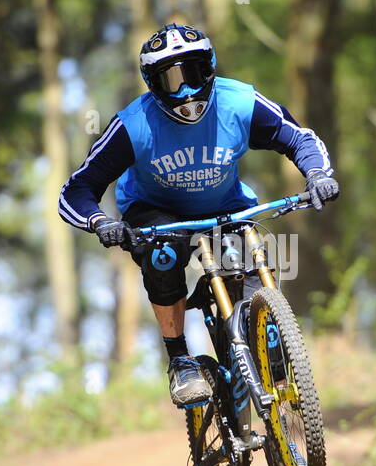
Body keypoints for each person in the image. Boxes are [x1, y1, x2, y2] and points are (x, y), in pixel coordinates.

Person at [58, 22, 339, 408]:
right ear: (151, 84)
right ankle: (181, 361)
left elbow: (298, 137)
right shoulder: (133, 125)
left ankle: (267, 337)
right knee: (164, 254)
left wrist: (317, 174)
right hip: (157, 212)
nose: (185, 89)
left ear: (210, 67)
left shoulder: (239, 102)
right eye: (170, 79)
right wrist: (101, 222)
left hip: (227, 205)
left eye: (192, 72)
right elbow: (77, 190)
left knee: (261, 258)